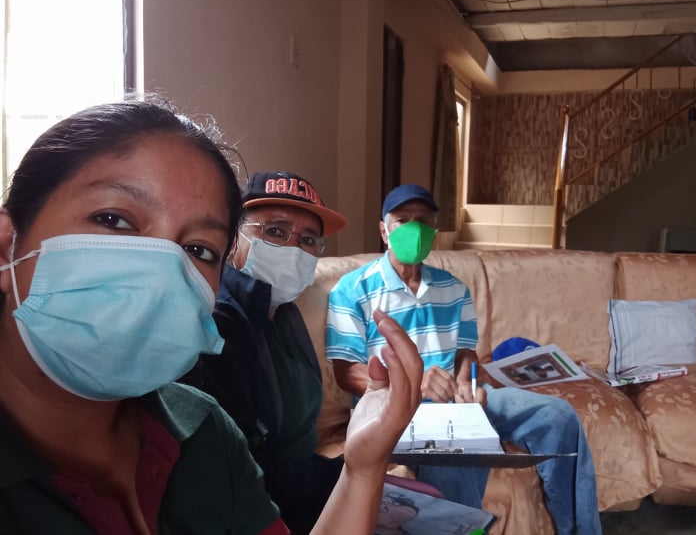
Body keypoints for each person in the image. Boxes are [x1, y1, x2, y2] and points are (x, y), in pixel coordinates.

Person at [0, 97, 423, 534]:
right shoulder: (225, 335)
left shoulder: (203, 429)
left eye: (197, 249)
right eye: (114, 220)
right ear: (6, 244)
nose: (161, 273)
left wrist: (363, 468)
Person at [325, 183, 602, 535]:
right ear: (384, 230)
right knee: (455, 450)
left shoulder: (454, 288)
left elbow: (465, 353)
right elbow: (346, 371)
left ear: (434, 231)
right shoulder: (352, 289)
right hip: (393, 406)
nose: (414, 229)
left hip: (454, 400)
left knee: (557, 415)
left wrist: (465, 382)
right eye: (403, 220)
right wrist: (410, 383)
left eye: (423, 221)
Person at [181, 170, 349, 533]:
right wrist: (350, 475)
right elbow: (249, 475)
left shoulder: (283, 312)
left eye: (308, 239)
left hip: (307, 487)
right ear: (233, 238)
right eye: (275, 231)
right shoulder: (218, 327)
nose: (294, 249)